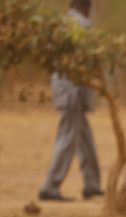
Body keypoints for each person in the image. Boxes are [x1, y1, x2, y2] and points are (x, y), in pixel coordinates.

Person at [38, 0, 103, 202]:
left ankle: (92, 185)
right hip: (73, 91)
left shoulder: (61, 24)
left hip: (63, 88)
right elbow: (89, 62)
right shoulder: (83, 26)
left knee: (84, 138)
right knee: (68, 138)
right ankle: (51, 186)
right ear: (87, 8)